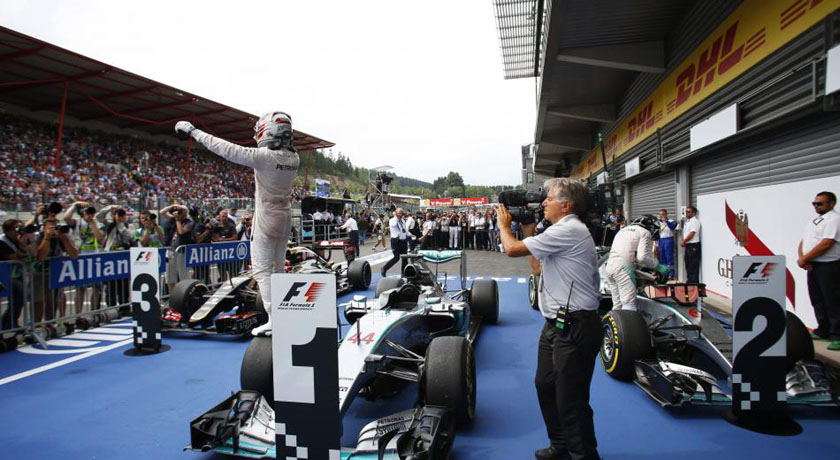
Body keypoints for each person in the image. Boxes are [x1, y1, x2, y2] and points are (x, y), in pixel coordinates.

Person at [497, 178, 602, 460]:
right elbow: (538, 269)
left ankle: (584, 456)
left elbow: (511, 249)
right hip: (555, 324)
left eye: (549, 199)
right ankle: (561, 445)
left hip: (576, 325)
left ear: (566, 205)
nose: (543, 202)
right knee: (545, 385)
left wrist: (504, 227)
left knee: (572, 400)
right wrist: (528, 230)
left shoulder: (570, 229)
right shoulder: (559, 231)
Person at [176, 112, 299, 337]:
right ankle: (285, 312)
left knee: (262, 271)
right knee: (279, 269)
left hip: (267, 218)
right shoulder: (294, 159)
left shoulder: (265, 157)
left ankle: (274, 319)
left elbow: (226, 149)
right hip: (285, 217)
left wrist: (194, 131)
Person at [797, 191, 840, 351]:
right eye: (814, 203)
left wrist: (805, 258)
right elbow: (804, 240)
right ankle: (823, 330)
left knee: (833, 301)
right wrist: (804, 258)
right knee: (817, 299)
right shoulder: (815, 221)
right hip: (813, 265)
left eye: (820, 203)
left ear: (831, 204)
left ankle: (837, 335)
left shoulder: (834, 220)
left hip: (829, 266)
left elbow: (826, 243)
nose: (816, 206)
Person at [604, 215, 667, 311]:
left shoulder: (623, 230)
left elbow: (626, 251)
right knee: (629, 304)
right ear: (649, 226)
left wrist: (643, 266)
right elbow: (642, 257)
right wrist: (657, 266)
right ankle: (629, 326)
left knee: (617, 305)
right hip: (623, 270)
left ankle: (615, 325)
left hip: (609, 268)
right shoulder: (645, 232)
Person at [64, 201, 105, 314]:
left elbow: (100, 237)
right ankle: (78, 315)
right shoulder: (77, 222)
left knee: (97, 287)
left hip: (94, 258)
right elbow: (66, 218)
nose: (90, 214)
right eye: (88, 212)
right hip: (80, 258)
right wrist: (74, 205)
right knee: (80, 289)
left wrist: (92, 222)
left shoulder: (98, 223)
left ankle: (94, 313)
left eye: (92, 212)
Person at [0, 219, 36, 330]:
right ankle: (7, 323)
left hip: (16, 274)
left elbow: (34, 253)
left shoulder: (20, 239)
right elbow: (13, 257)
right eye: (17, 228)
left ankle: (10, 323)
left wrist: (29, 241)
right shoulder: (2, 241)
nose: (19, 230)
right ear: (9, 230)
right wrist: (22, 247)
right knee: (21, 293)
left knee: (19, 299)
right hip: (4, 276)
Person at [161, 204, 194, 294]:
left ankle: (185, 295)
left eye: (182, 211)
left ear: (186, 213)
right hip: (170, 251)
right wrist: (173, 206)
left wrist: (178, 220)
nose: (180, 212)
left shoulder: (189, 222)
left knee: (183, 276)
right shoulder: (173, 219)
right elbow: (162, 212)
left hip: (181, 252)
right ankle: (172, 296)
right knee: (170, 277)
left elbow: (181, 232)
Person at [381, 208, 409, 277]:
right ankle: (384, 268)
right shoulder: (392, 220)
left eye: (401, 213)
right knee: (396, 258)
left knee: (405, 258)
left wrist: (410, 235)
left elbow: (404, 230)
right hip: (396, 241)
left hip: (403, 241)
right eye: (399, 213)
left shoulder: (403, 220)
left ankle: (404, 273)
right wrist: (397, 218)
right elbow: (395, 224)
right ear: (396, 214)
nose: (401, 215)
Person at [681, 206, 701, 283]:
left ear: (694, 213)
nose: (687, 213)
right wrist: (684, 241)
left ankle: (693, 283)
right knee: (688, 263)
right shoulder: (688, 221)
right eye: (686, 212)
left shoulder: (695, 221)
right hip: (688, 245)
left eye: (689, 212)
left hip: (693, 245)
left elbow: (692, 233)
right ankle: (689, 281)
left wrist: (684, 241)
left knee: (693, 265)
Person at [656, 209, 677, 279]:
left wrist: (666, 221)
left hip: (668, 240)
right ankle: (664, 272)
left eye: (663, 214)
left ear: (666, 214)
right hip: (661, 240)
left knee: (669, 257)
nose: (661, 216)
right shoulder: (658, 223)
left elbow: (672, 227)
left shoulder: (671, 221)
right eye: (660, 214)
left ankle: (671, 273)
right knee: (662, 257)